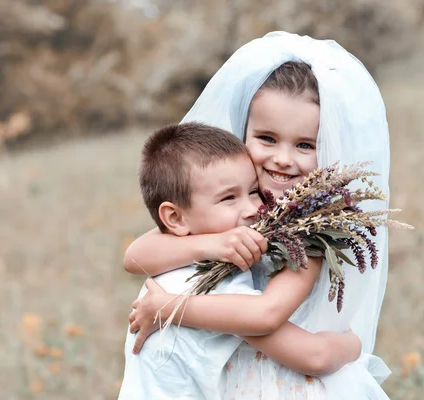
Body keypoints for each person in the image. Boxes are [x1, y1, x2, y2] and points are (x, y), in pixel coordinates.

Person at [127, 32, 392, 399]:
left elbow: (266, 316)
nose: (282, 158)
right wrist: (216, 243)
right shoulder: (223, 205)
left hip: (282, 378)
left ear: (328, 146)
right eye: (267, 138)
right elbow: (136, 256)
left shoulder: (311, 226)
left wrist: (169, 308)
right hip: (217, 374)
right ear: (243, 133)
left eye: (304, 145)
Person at [118, 122, 361, 400]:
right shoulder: (214, 284)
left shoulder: (178, 255)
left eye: (255, 191)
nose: (252, 209)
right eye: (228, 198)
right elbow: (314, 356)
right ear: (175, 218)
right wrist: (353, 345)